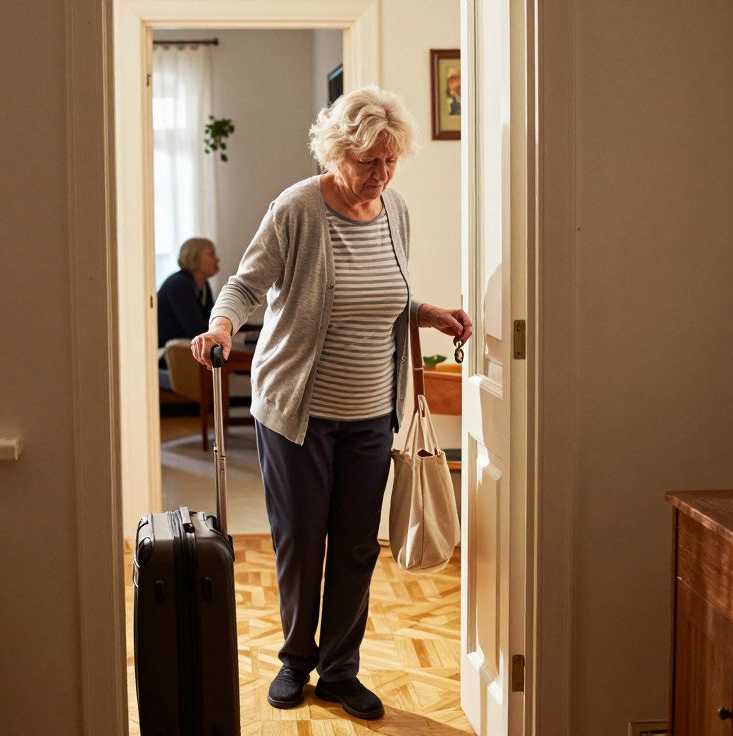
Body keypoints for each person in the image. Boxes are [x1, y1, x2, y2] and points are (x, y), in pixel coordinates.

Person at [190, 86, 472, 720]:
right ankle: (295, 660)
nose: (381, 174)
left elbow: (388, 297)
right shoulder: (297, 209)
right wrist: (222, 327)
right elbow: (244, 283)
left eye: (390, 160)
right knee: (300, 541)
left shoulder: (394, 209)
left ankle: (341, 668)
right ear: (338, 152)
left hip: (372, 413)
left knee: (354, 546)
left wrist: (428, 313)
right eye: (369, 160)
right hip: (298, 414)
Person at [157, 237, 220, 352]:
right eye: (211, 254)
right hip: (168, 353)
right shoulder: (178, 284)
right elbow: (197, 329)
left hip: (185, 348)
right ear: (194, 258)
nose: (217, 259)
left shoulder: (203, 285)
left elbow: (213, 321)